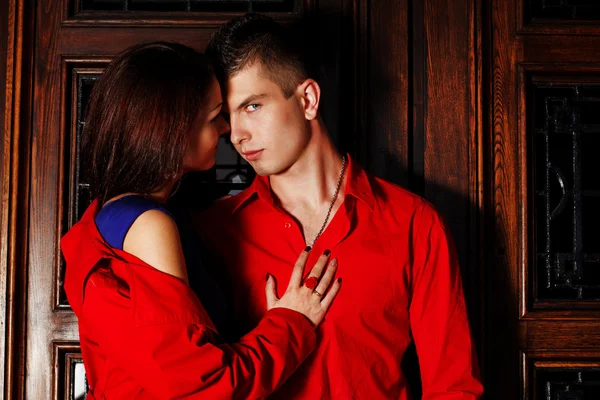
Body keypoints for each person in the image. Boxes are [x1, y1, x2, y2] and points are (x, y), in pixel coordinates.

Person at [199, 13, 484, 399]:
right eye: (226, 116)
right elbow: (192, 380)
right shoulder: (215, 232)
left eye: (252, 106)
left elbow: (453, 388)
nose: (237, 134)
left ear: (307, 99)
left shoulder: (413, 223)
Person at [60, 41, 342, 399]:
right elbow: (202, 385)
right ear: (172, 130)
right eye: (215, 117)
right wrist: (290, 323)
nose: (227, 129)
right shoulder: (149, 225)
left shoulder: (112, 216)